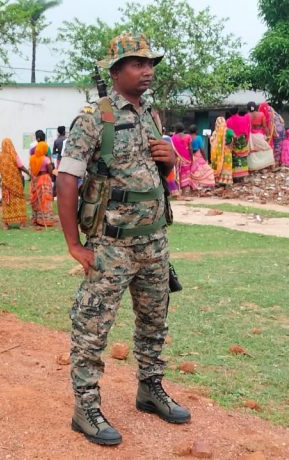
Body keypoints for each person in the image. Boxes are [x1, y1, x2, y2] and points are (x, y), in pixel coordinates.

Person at [55, 33, 190, 447]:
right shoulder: (94, 118)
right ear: (115, 72)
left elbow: (153, 179)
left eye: (150, 63)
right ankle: (86, 407)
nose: (147, 70)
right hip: (110, 246)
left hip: (153, 242)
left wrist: (169, 161)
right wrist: (74, 245)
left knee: (154, 322)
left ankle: (150, 388)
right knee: (92, 327)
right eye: (137, 63)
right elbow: (67, 179)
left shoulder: (151, 114)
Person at [0, 138, 30, 229]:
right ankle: (22, 223)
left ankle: (5, 224)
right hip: (16, 183)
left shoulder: (0, 156)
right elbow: (21, 166)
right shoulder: (13, 154)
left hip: (5, 184)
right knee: (19, 201)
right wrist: (29, 173)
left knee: (7, 202)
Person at [29, 130, 56, 227]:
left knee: (36, 200)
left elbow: (31, 168)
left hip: (35, 179)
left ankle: (36, 218)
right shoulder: (46, 158)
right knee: (45, 200)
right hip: (45, 179)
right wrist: (52, 178)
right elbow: (50, 169)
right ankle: (44, 220)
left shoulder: (32, 156)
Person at [226, 107, 250, 181]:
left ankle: (235, 176)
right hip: (242, 140)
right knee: (243, 158)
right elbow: (247, 130)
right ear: (237, 111)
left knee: (235, 158)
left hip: (234, 141)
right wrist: (246, 139)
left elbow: (228, 133)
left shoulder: (228, 121)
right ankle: (242, 176)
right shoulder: (244, 119)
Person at [210, 117, 233, 186]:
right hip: (227, 151)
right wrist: (231, 143)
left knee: (218, 165)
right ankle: (226, 181)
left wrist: (209, 137)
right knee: (226, 165)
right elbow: (234, 137)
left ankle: (218, 181)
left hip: (217, 154)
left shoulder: (215, 133)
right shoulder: (228, 131)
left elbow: (212, 143)